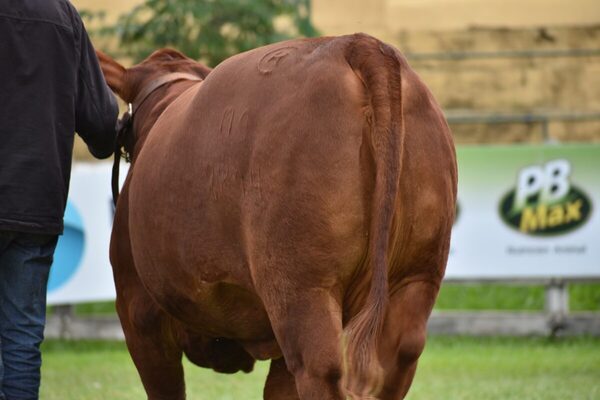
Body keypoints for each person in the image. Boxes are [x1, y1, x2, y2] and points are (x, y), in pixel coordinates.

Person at [0, 0, 118, 398]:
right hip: (36, 203)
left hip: (33, 206)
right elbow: (101, 122)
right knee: (22, 339)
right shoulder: (62, 15)